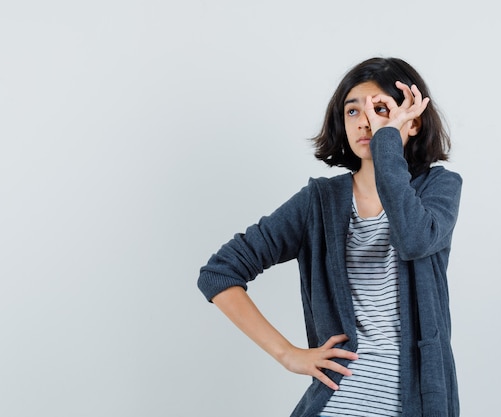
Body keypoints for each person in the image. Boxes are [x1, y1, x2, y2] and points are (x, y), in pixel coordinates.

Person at [198, 57, 462, 417]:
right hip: (337, 405)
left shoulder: (439, 187)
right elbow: (220, 272)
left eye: (380, 108)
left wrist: (387, 143)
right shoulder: (319, 203)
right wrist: (287, 354)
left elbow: (415, 238)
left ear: (412, 121)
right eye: (352, 112)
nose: (364, 121)